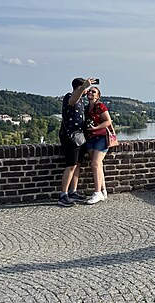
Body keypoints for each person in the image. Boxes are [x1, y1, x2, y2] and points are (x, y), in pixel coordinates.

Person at [58, 77, 95, 207]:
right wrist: (83, 87)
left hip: (79, 137)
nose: (87, 90)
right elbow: (73, 99)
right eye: (85, 87)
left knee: (77, 165)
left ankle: (73, 192)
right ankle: (63, 195)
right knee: (71, 165)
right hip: (70, 137)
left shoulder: (81, 102)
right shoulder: (70, 97)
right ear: (80, 87)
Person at [84, 86, 112, 205]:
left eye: (93, 91)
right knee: (98, 165)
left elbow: (108, 121)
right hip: (90, 138)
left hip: (101, 137)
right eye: (89, 91)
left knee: (95, 164)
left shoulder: (100, 106)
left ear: (98, 96)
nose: (90, 92)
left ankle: (97, 193)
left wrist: (95, 128)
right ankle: (103, 191)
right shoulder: (86, 108)